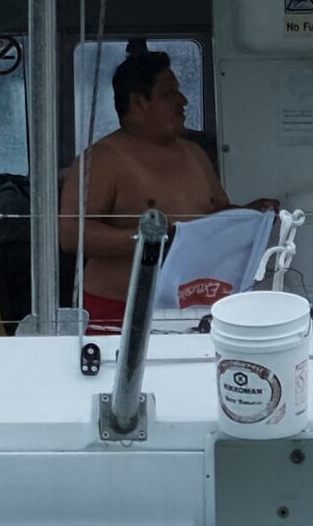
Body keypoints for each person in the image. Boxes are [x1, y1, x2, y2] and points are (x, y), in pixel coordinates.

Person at [71, 49, 262, 326]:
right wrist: (152, 240)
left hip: (195, 306)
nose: (183, 101)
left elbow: (216, 215)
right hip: (117, 309)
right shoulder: (102, 159)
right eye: (169, 93)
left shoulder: (195, 154)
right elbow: (71, 233)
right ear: (138, 102)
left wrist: (251, 214)